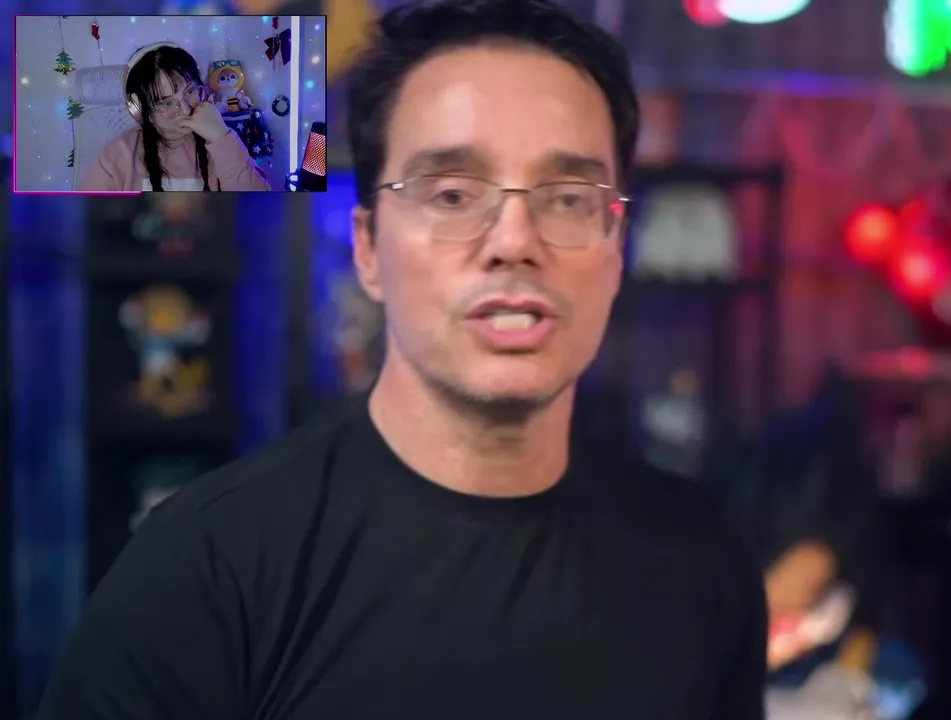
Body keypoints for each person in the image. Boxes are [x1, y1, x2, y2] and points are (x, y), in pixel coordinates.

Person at [36, 1, 767, 718]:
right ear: (367, 249)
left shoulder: (702, 565)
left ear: (616, 250)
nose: (514, 240)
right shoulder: (205, 572)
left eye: (569, 198)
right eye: (452, 194)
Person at [81, 43, 271, 191]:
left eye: (190, 91)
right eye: (166, 103)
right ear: (142, 111)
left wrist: (221, 137)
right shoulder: (116, 157)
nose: (187, 110)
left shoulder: (221, 142)